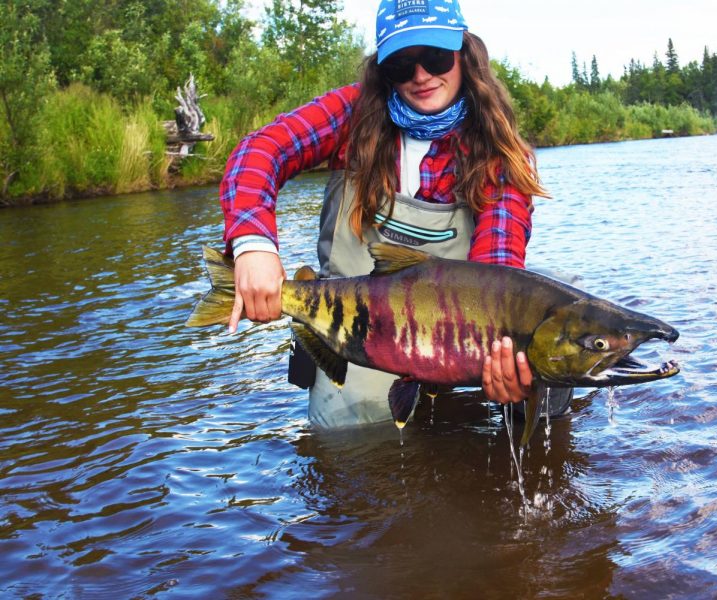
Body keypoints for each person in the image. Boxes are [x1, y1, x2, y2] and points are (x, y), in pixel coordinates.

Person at [219, 0, 564, 427]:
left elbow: (497, 273)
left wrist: (506, 367)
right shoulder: (353, 114)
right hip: (352, 337)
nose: (421, 76)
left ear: (464, 51)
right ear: (383, 69)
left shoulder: (500, 156)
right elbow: (261, 149)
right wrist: (253, 246)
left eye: (436, 56)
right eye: (402, 64)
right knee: (348, 451)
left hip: (455, 346)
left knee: (547, 361)